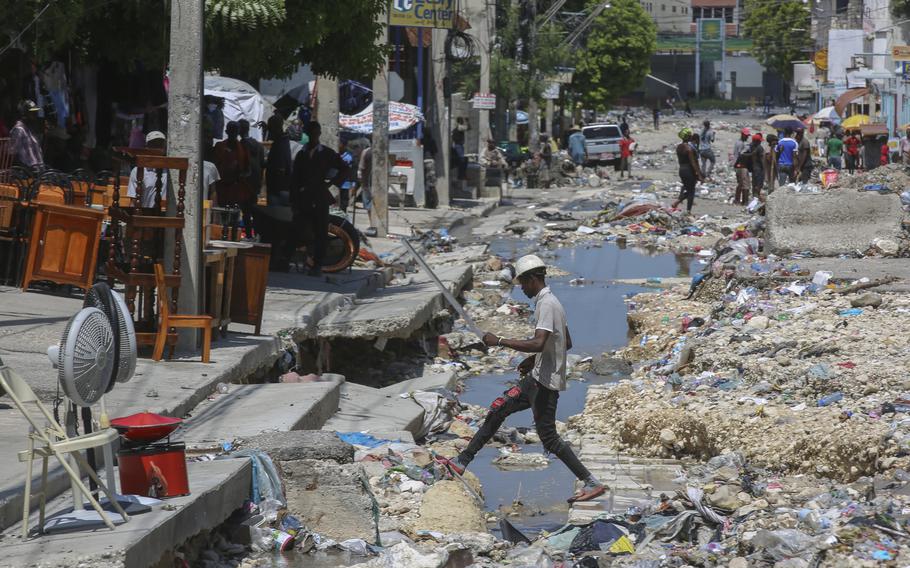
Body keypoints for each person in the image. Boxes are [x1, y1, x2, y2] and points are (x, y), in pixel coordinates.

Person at [435, 255, 607, 504]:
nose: (521, 288)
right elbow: (564, 341)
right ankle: (463, 461)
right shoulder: (548, 302)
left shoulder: (547, 304)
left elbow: (540, 341)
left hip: (544, 383)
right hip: (537, 376)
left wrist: (500, 341)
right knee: (498, 409)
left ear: (533, 279)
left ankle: (591, 482)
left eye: (523, 283)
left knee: (548, 437)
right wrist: (534, 359)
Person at [291, 121, 350, 276]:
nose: (313, 135)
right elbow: (295, 179)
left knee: (321, 231)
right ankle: (305, 260)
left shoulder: (327, 153)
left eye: (316, 132)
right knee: (302, 230)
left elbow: (344, 169)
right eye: (311, 132)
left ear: (319, 134)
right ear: (307, 133)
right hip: (303, 198)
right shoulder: (301, 154)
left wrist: (332, 183)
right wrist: (294, 199)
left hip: (319, 197)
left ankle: (317, 265)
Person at [213, 121, 253, 230]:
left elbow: (248, 170)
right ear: (227, 132)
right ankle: (225, 232)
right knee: (224, 215)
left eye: (235, 131)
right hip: (223, 188)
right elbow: (214, 166)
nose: (233, 134)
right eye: (231, 131)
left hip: (236, 187)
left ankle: (234, 233)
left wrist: (241, 174)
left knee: (235, 216)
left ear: (238, 132)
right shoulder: (220, 146)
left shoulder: (243, 148)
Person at [127, 130, 169, 208]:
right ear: (147, 147)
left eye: (160, 145)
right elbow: (133, 201)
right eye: (154, 145)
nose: (158, 148)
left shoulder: (170, 170)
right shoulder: (137, 171)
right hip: (146, 214)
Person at [671, 128, 704, 214]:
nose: (691, 136)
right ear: (688, 136)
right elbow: (693, 163)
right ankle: (688, 210)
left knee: (689, 190)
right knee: (691, 191)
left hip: (681, 170)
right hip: (689, 170)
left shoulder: (679, 147)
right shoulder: (689, 149)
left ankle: (677, 202)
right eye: (690, 135)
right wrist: (699, 174)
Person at [265, 115, 293, 206]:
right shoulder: (282, 141)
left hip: (277, 190)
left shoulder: (281, 144)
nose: (269, 131)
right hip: (280, 189)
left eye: (269, 128)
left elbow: (280, 168)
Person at [9, 99, 44, 169]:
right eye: (32, 113)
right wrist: (26, 169)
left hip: (39, 170)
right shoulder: (19, 130)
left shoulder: (30, 129)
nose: (35, 115)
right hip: (28, 172)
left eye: (35, 113)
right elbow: (13, 154)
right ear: (24, 114)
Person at [238, 119, 266, 200]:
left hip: (243, 182)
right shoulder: (259, 145)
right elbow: (262, 164)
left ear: (239, 131)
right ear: (248, 129)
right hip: (256, 180)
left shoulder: (239, 146)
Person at [356, 146, 375, 234]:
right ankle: (375, 225)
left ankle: (372, 225)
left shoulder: (366, 152)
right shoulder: (383, 151)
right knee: (375, 205)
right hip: (378, 184)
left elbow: (360, 169)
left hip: (367, 183)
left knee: (368, 205)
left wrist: (360, 182)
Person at [732, 128, 752, 205]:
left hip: (738, 165)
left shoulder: (739, 142)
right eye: (746, 135)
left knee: (741, 183)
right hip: (741, 165)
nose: (747, 137)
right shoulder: (741, 144)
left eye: (747, 135)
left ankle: (738, 200)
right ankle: (744, 201)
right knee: (745, 184)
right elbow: (741, 155)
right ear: (742, 134)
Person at [750, 133, 765, 201]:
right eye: (760, 140)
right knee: (759, 184)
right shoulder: (760, 148)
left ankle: (754, 197)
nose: (760, 141)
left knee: (754, 183)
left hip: (753, 167)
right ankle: (756, 198)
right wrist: (764, 168)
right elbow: (762, 159)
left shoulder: (751, 146)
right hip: (759, 168)